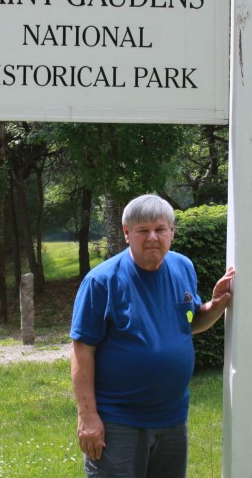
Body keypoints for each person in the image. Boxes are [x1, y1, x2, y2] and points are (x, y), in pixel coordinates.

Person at [70, 194, 235, 477]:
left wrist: (215, 305)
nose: (152, 238)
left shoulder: (183, 267)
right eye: (142, 230)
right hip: (118, 422)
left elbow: (188, 322)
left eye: (160, 229)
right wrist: (87, 417)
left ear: (172, 232)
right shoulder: (101, 282)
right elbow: (82, 351)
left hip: (172, 419)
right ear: (126, 234)